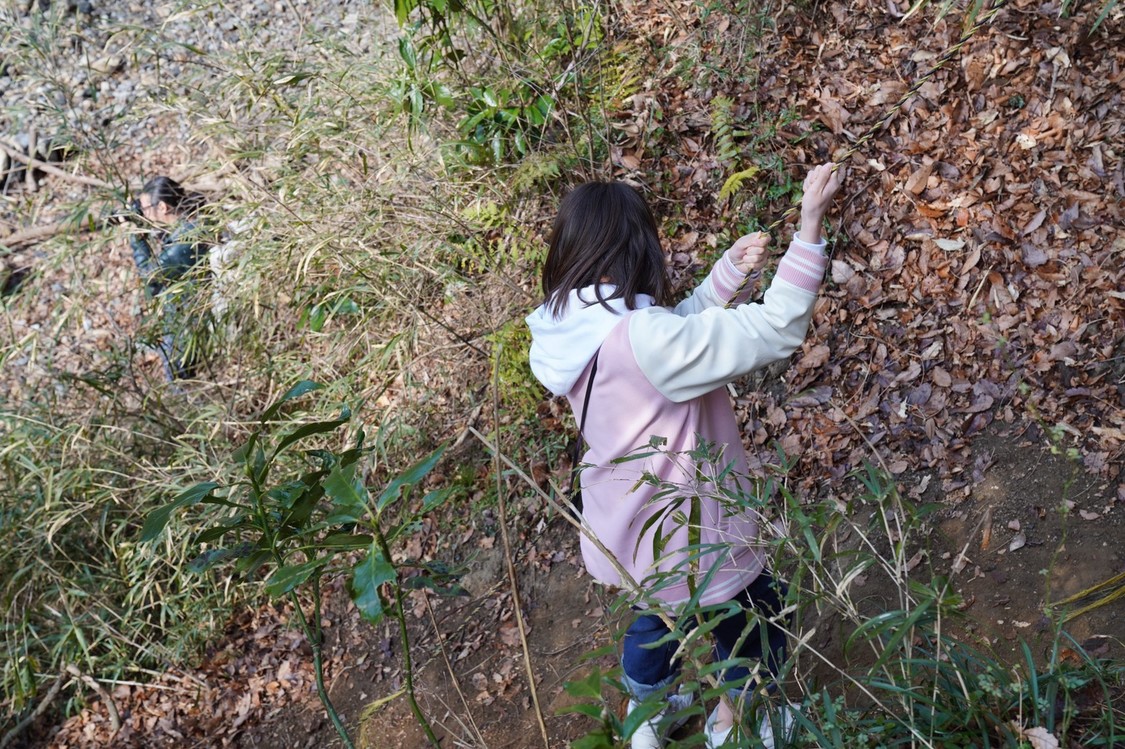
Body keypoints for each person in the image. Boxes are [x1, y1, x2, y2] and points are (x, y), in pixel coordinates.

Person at [526, 164, 840, 748]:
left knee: (659, 616)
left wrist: (722, 277)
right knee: (756, 617)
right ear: (635, 247)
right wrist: (810, 227)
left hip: (629, 522)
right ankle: (736, 727)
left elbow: (659, 343)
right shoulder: (641, 335)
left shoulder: (562, 328)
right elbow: (775, 329)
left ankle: (649, 719)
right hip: (693, 524)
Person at [129, 176, 210, 381]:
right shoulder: (189, 226)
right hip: (188, 316)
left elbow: (150, 278)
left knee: (181, 381)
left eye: (146, 208)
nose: (144, 213)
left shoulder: (184, 242)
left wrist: (137, 236)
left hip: (186, 323)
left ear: (163, 207)